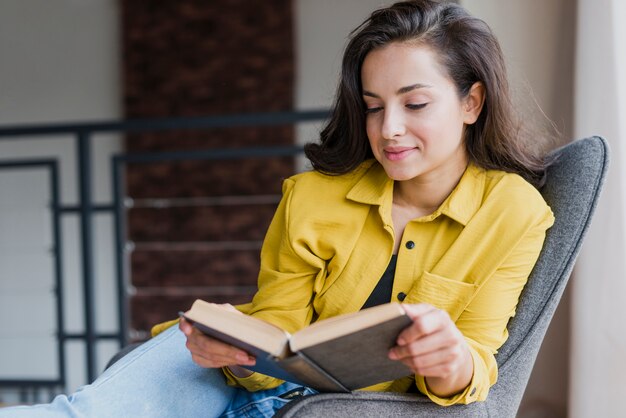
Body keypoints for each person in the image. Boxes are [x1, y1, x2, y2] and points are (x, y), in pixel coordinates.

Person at [0, 0, 554, 416]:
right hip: (234, 378)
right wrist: (239, 349)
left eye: (415, 104)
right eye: (372, 106)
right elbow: (279, 328)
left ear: (471, 102)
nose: (389, 130)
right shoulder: (312, 196)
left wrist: (452, 362)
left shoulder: (514, 214)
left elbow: (480, 360)